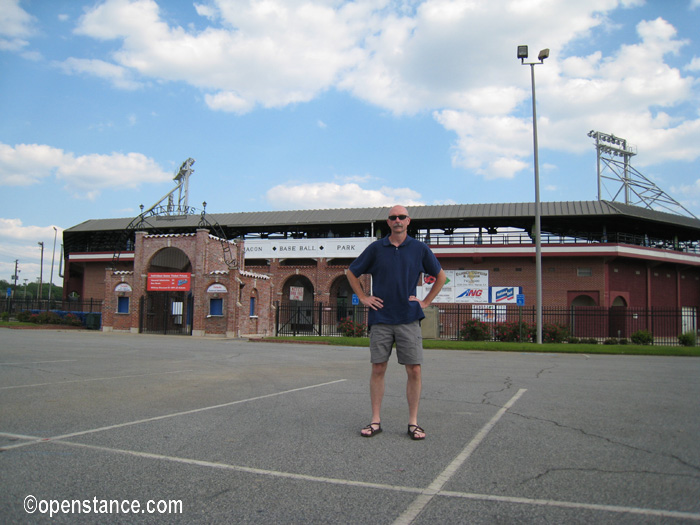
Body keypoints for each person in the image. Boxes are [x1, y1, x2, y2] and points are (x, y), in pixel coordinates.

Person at [347, 205, 447, 440]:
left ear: (408, 221)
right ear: (388, 222)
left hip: (408, 318)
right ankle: (375, 421)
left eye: (401, 217)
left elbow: (441, 276)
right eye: (393, 217)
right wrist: (363, 297)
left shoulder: (419, 249)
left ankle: (413, 423)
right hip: (381, 318)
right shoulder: (376, 248)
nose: (397, 220)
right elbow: (351, 272)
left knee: (414, 369)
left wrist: (425, 302)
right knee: (378, 368)